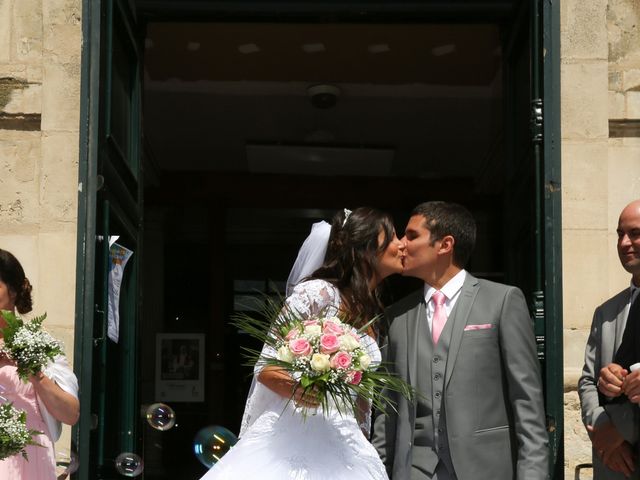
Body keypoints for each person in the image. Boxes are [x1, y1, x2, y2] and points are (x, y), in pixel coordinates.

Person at [199, 207, 405, 480]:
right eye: (391, 238)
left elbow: (362, 400)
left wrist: (362, 441)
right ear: (365, 249)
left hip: (347, 444)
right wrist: (301, 387)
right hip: (298, 435)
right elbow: (265, 367)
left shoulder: (370, 312)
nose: (402, 244)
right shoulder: (317, 293)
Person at [372, 201, 549, 480]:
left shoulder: (502, 301)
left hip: (486, 470)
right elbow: (387, 411)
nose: (402, 245)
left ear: (445, 244)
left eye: (412, 235)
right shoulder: (397, 317)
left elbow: (527, 402)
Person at [0, 248, 80, 479]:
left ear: (13, 291)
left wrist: (32, 369)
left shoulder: (41, 345)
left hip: (28, 458)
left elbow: (70, 414)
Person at [579, 199, 640, 479]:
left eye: (635, 233)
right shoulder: (606, 313)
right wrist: (602, 426)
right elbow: (588, 381)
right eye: (619, 234)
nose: (624, 243)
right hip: (615, 466)